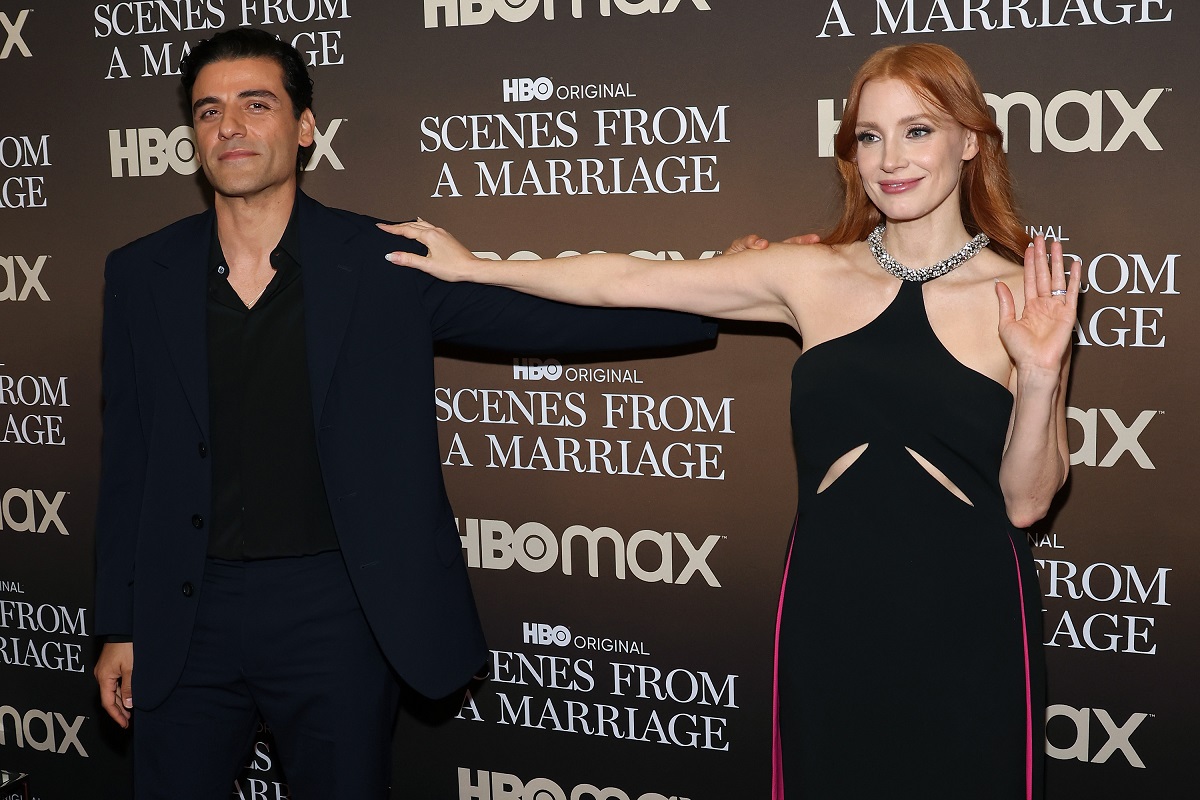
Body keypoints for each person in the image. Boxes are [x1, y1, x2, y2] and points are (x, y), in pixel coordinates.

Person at [382, 43, 1076, 799]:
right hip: (830, 603)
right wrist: (477, 266)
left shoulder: (1025, 294)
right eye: (869, 136)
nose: (890, 159)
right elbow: (626, 280)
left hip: (967, 612)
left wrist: (1039, 376)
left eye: (918, 130)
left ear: (969, 140)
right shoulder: (811, 272)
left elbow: (1028, 502)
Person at [91, 28, 714, 798]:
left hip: (338, 614)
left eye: (257, 104)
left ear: (305, 125)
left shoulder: (382, 261)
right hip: (185, 616)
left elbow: (550, 321)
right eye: (210, 110)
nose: (231, 127)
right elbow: (128, 459)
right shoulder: (140, 273)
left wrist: (721, 293)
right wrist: (119, 624)